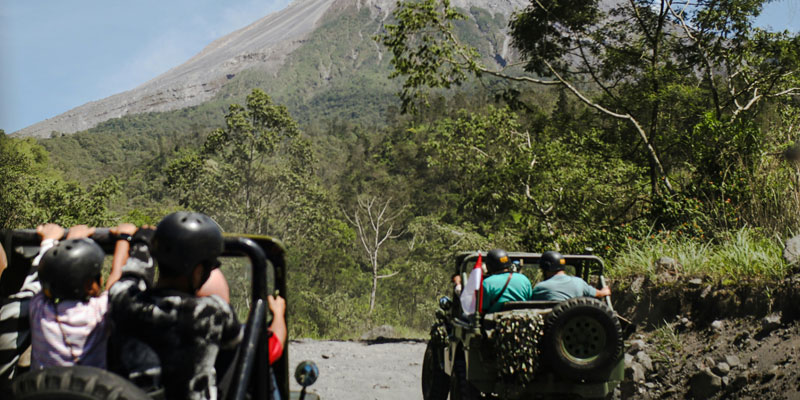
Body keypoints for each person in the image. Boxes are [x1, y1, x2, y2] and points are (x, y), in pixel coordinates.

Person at [108, 212, 286, 400]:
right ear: (199, 270)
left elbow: (131, 275)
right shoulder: (213, 313)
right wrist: (278, 314)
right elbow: (247, 346)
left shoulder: (124, 301)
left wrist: (141, 243)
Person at [28, 224, 124, 369]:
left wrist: (54, 242)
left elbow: (42, 275)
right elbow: (116, 278)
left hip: (43, 389)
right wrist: (124, 238)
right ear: (90, 285)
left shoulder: (38, 310)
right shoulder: (98, 312)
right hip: (89, 389)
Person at [531, 251, 611, 301]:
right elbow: (599, 293)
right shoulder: (579, 282)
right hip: (576, 323)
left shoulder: (540, 288)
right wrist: (604, 291)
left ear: (546, 268)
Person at [481, 249, 532, 313]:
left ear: (489, 266)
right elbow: (529, 302)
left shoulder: (486, 283)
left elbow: (481, 309)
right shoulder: (524, 280)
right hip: (522, 320)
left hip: (494, 322)